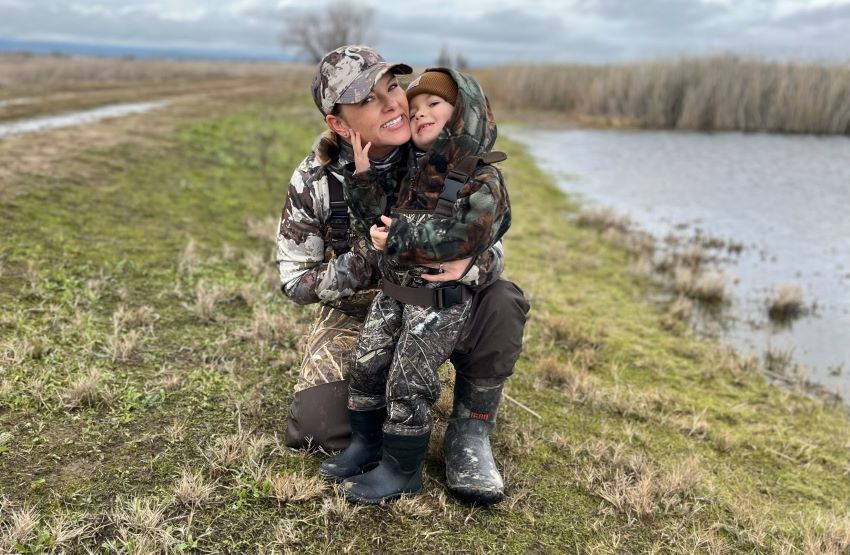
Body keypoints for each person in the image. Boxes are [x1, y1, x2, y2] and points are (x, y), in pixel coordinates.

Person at [276, 45, 529, 505]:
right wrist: (376, 258)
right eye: (368, 99)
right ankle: (371, 442)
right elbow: (295, 282)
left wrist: (468, 265)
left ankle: (469, 432)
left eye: (392, 87)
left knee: (503, 299)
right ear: (339, 123)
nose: (394, 104)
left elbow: (488, 238)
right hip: (361, 312)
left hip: (437, 300)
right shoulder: (316, 178)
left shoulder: (434, 148)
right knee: (317, 428)